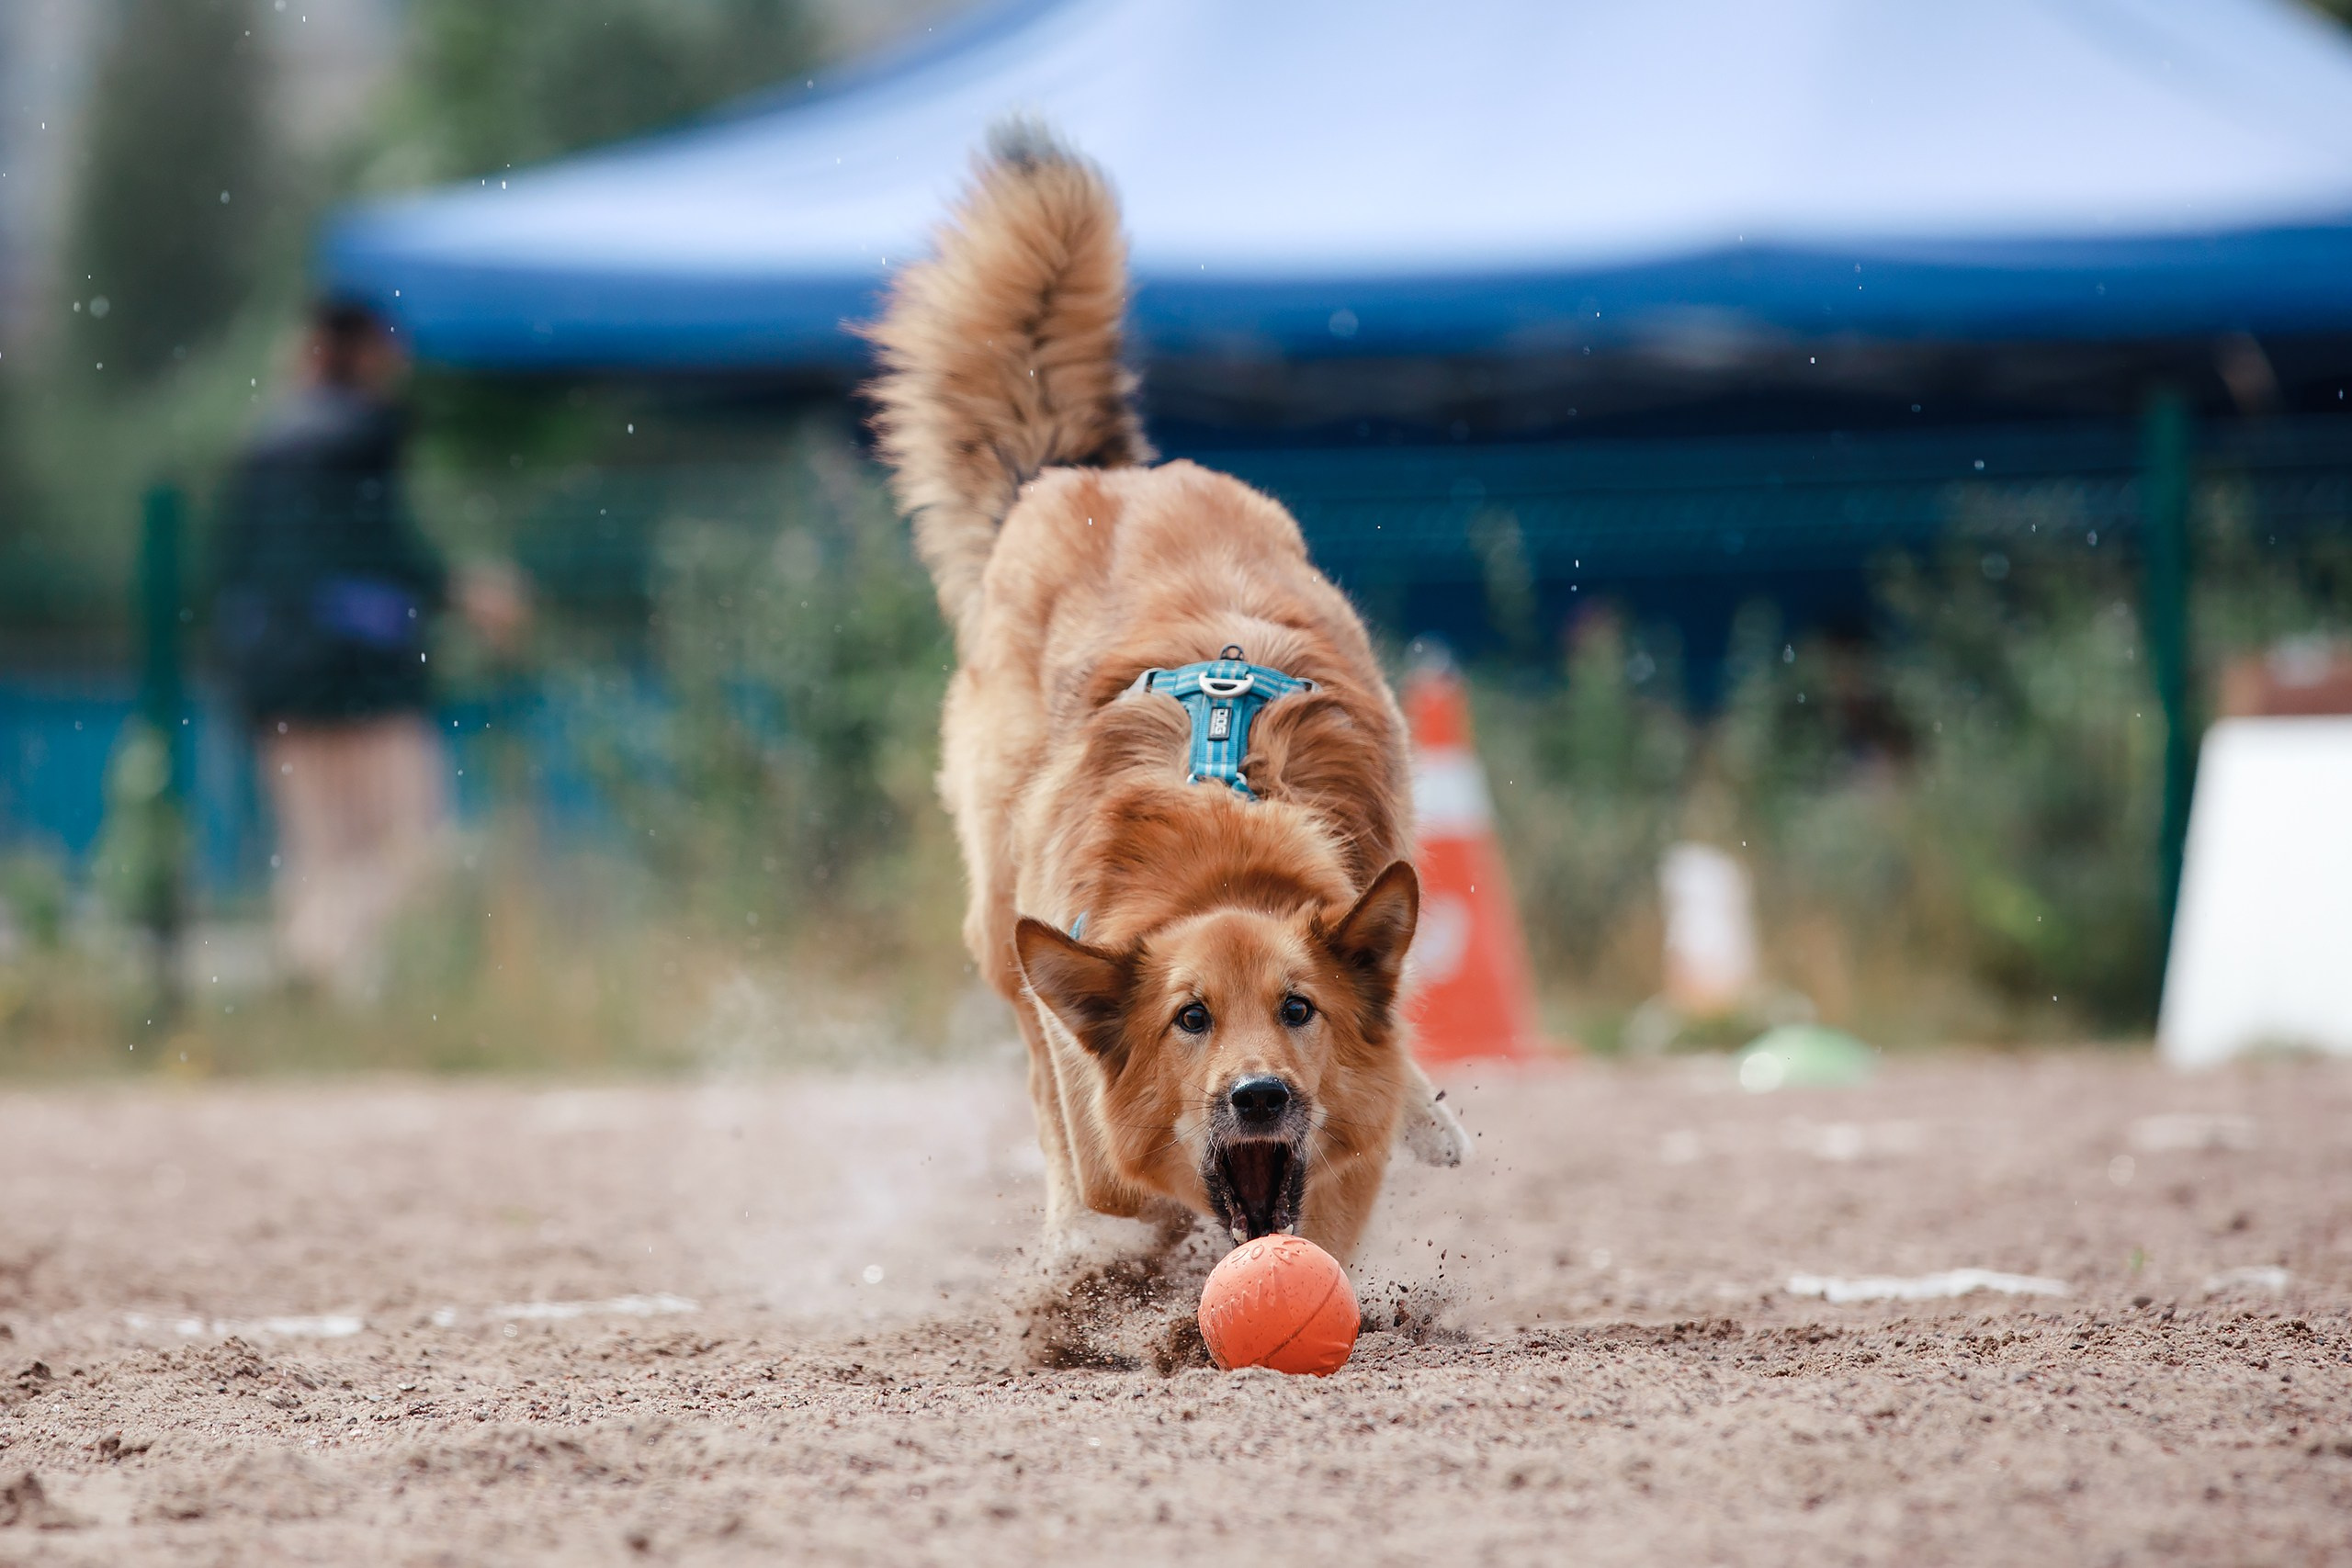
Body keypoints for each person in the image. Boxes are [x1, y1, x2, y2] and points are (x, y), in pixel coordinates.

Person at [212, 300, 513, 998]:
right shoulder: (365, 439)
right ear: (369, 355)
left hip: (276, 676)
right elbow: (383, 549)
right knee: (415, 850)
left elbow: (233, 573)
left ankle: (318, 982)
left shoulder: (259, 449)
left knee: (320, 857)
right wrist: (464, 591)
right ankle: (320, 955)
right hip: (364, 674)